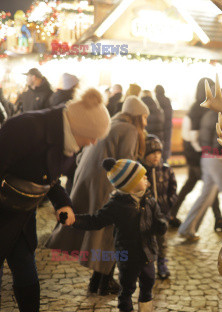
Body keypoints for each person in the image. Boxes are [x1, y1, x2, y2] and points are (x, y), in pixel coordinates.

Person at [0, 88, 110, 312]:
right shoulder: (26, 127)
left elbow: (50, 179)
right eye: (91, 136)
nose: (92, 142)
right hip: (1, 214)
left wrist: (63, 203)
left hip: (22, 217)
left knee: (26, 270)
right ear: (77, 127)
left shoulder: (66, 140)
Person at [46, 96, 150, 295]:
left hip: (88, 176)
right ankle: (105, 282)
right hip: (106, 182)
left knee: (103, 229)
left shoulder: (112, 122)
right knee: (111, 231)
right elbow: (126, 162)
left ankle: (97, 280)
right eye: (145, 116)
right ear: (138, 116)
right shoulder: (128, 129)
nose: (146, 121)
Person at [70, 158, 167, 312]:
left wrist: (161, 225)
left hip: (147, 251)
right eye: (142, 176)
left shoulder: (149, 200)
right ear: (130, 184)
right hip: (127, 255)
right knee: (127, 287)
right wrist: (74, 220)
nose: (146, 177)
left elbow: (158, 218)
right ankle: (125, 308)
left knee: (149, 281)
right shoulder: (116, 205)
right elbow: (95, 220)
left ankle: (146, 308)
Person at [178, 89, 222, 241]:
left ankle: (187, 228)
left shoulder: (209, 113)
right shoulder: (221, 116)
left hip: (206, 157)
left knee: (206, 196)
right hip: (217, 159)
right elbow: (221, 141)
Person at [170, 78, 222, 232]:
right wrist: (204, 151)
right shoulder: (202, 109)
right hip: (199, 153)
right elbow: (193, 135)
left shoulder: (196, 108)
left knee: (204, 186)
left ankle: (173, 215)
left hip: (196, 152)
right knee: (207, 187)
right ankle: (174, 216)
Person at [140, 135, 177, 279]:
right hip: (146, 215)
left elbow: (173, 189)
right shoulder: (141, 171)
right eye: (152, 153)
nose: (156, 156)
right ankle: (147, 266)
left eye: (158, 152)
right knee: (147, 240)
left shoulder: (166, 170)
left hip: (162, 213)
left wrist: (169, 203)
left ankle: (162, 263)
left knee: (162, 241)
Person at [155, 85, 173, 161]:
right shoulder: (167, 100)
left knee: (159, 143)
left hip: (160, 126)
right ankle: (165, 160)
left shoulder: (156, 100)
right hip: (168, 125)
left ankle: (160, 160)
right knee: (167, 142)